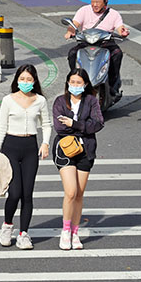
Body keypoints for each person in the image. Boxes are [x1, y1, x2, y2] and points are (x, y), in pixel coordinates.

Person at [0, 64, 52, 251]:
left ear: (34, 81)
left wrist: (45, 143)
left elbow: (47, 124)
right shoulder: (8, 100)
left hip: (30, 148)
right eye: (22, 79)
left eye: (29, 79)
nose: (25, 83)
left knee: (27, 194)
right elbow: (1, 127)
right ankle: (7, 226)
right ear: (16, 80)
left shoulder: (40, 100)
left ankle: (24, 234)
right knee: (15, 193)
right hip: (10, 147)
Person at [51, 68, 104, 251]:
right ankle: (65, 231)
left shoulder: (91, 101)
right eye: (72, 82)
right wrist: (84, 126)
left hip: (86, 150)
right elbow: (59, 126)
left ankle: (75, 232)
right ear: (67, 83)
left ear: (86, 84)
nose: (75, 86)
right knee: (71, 192)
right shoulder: (60, 101)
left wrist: (74, 124)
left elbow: (97, 123)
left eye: (78, 83)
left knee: (80, 193)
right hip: (65, 150)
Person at [64, 0, 129, 97]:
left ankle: (112, 85)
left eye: (98, 2)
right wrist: (70, 31)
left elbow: (119, 27)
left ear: (105, 2)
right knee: (72, 53)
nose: (95, 4)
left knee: (117, 54)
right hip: (86, 41)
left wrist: (122, 31)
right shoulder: (84, 10)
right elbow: (74, 24)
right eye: (93, 1)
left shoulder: (113, 14)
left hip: (106, 43)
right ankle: (75, 79)